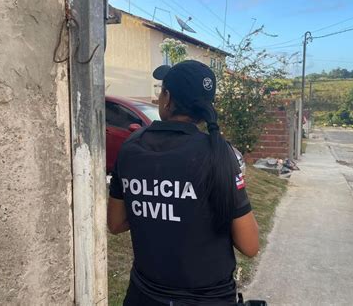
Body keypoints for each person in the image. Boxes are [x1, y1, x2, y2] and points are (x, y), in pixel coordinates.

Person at [108, 60, 259, 306]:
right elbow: (250, 245)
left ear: (167, 98)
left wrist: (155, 209)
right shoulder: (218, 153)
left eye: (161, 90)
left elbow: (115, 224)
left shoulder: (131, 148)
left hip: (144, 297)